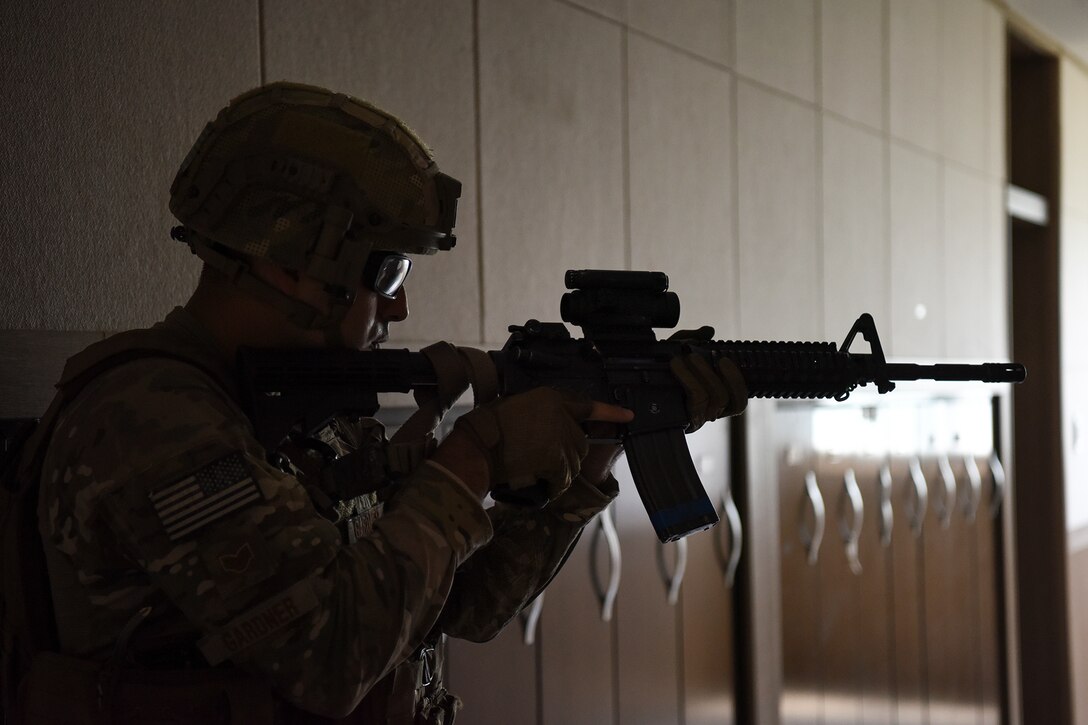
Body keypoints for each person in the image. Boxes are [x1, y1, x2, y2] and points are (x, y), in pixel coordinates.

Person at [8, 81, 745, 723]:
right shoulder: (152, 419)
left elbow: (460, 604)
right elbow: (333, 656)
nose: (397, 307)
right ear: (293, 260)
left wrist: (590, 454)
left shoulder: (306, 415)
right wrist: (473, 455)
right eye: (386, 271)